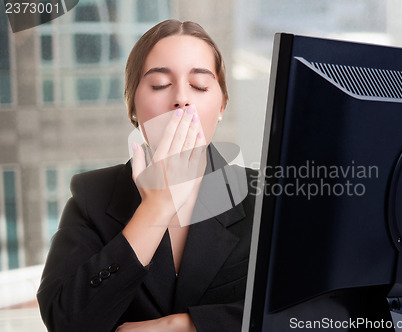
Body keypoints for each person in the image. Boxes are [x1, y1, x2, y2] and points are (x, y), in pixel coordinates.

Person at [37, 19, 256, 332]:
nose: (181, 99)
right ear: (133, 107)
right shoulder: (92, 197)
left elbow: (322, 313)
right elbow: (66, 321)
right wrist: (156, 207)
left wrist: (182, 326)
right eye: (159, 85)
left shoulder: (263, 196)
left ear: (222, 104)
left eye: (200, 85)